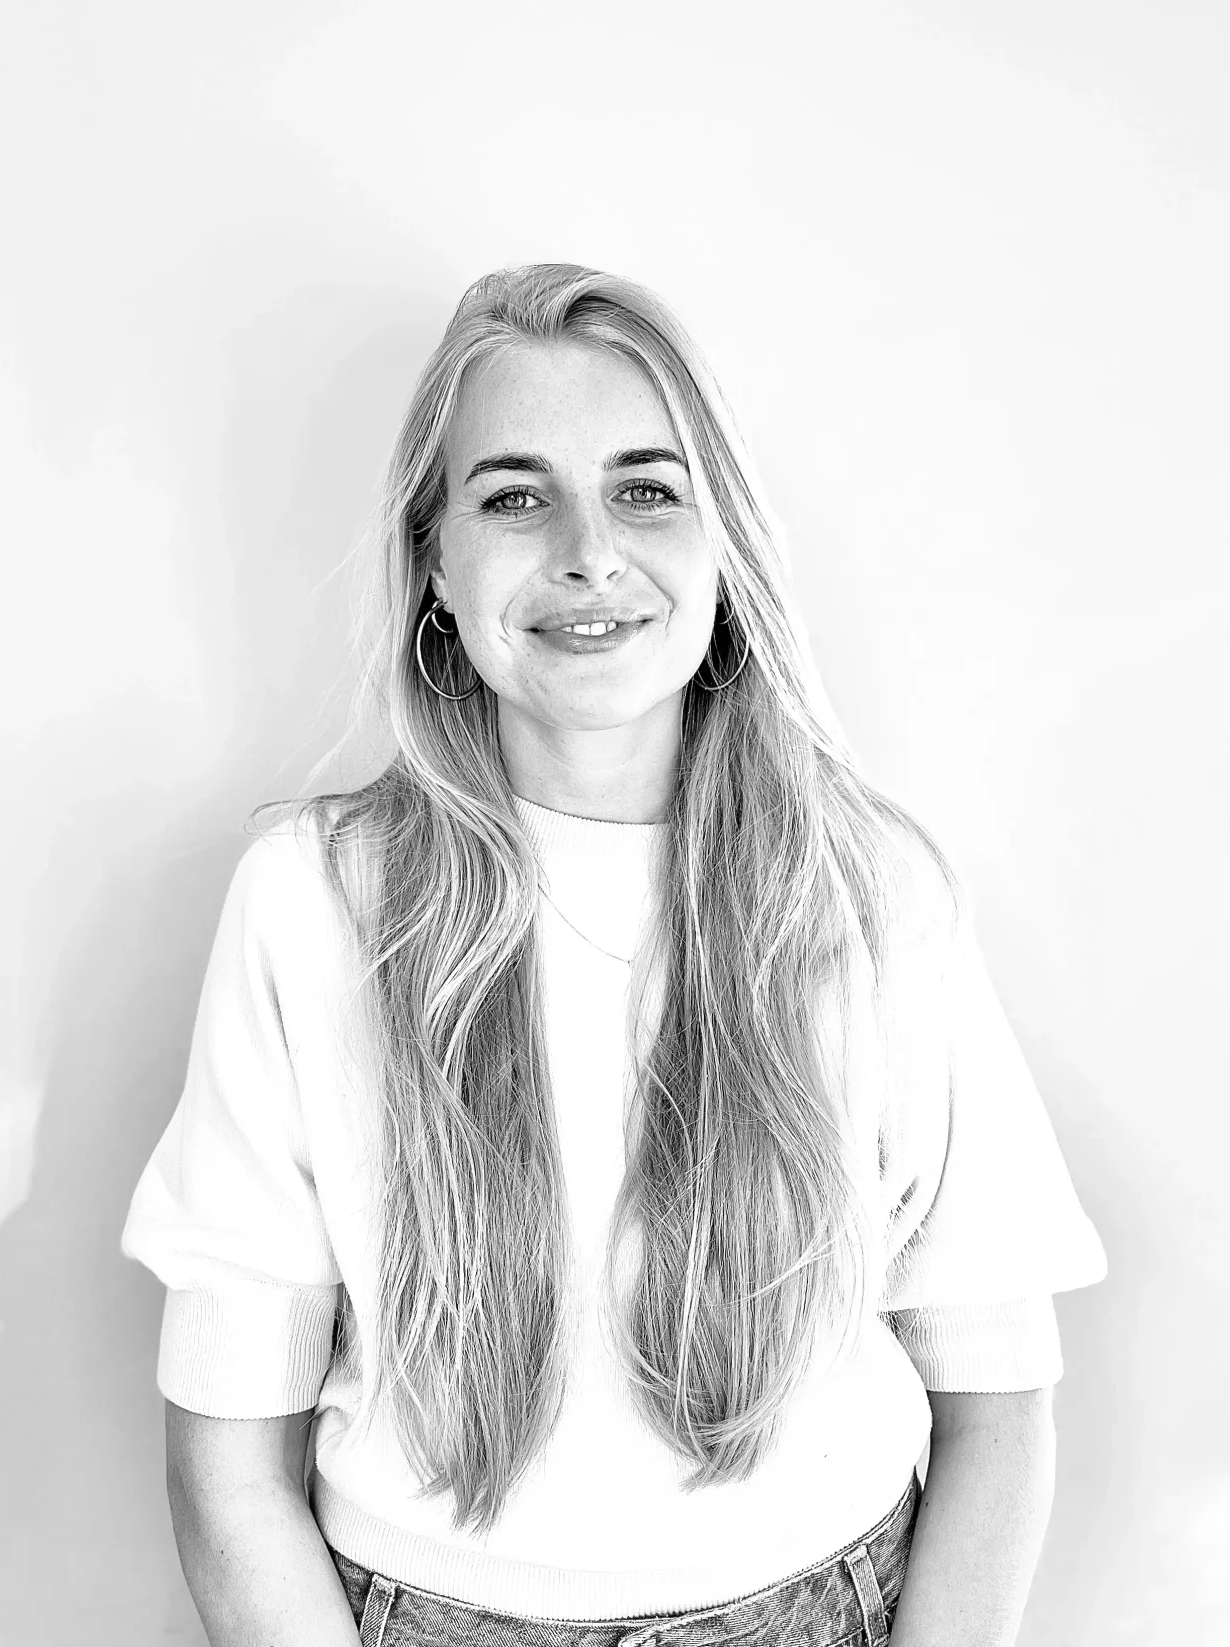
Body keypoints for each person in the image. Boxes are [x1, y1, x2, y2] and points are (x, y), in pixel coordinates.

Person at [121, 263, 1107, 1647]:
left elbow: (999, 1399)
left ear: (724, 545)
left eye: (647, 489)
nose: (588, 551)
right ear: (435, 563)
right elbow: (227, 1471)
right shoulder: (311, 900)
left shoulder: (871, 891)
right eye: (513, 497)